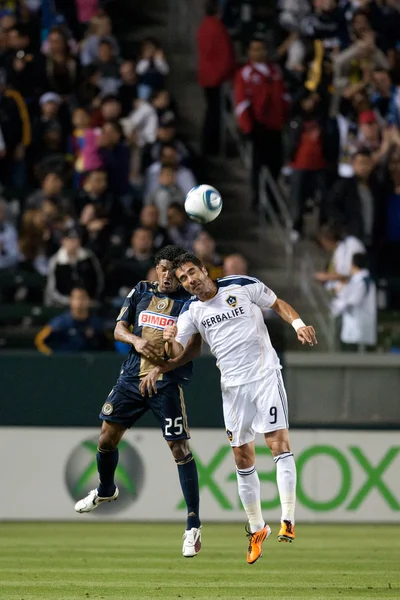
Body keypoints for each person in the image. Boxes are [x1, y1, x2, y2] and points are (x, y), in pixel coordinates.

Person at [140, 253, 317, 563]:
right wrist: (168, 342)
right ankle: (256, 528)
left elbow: (277, 303)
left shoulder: (242, 285)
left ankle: (288, 519)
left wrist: (298, 324)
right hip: (232, 389)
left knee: (278, 443)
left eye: (192, 272)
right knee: (241, 456)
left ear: (204, 270)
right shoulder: (191, 311)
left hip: (265, 376)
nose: (189, 280)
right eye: (183, 278)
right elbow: (179, 350)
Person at [74, 245, 203, 559]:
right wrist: (135, 339)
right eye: (162, 268)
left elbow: (191, 351)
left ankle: (193, 525)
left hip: (166, 384)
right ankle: (106, 489)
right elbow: (119, 329)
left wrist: (166, 359)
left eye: (174, 270)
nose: (168, 276)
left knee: (179, 448)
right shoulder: (141, 292)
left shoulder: (190, 305)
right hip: (132, 379)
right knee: (106, 437)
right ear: (155, 269)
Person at [234, 37, 289, 209]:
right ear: (249, 52)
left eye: (262, 49)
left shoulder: (275, 71)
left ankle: (272, 199)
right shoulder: (245, 73)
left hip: (276, 126)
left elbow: (283, 96)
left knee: (276, 163)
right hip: (258, 127)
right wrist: (248, 127)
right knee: (259, 166)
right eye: (255, 49)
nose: (259, 52)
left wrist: (285, 116)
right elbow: (241, 102)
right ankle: (258, 199)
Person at [197, 0, 235, 155]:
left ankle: (209, 145)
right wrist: (229, 74)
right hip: (217, 78)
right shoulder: (217, 28)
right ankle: (211, 146)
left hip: (207, 76)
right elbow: (226, 55)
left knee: (212, 111)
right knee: (215, 113)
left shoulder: (204, 26)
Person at [35, 287, 106, 354]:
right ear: (71, 300)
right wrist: (52, 357)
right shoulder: (60, 322)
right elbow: (40, 341)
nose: (80, 302)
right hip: (64, 362)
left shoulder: (96, 322)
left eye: (84, 298)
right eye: (77, 298)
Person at [45, 227, 104, 306]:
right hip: (63, 305)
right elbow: (52, 290)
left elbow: (99, 280)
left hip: (88, 303)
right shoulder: (56, 261)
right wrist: (71, 302)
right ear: (63, 241)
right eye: (71, 240)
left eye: (77, 240)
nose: (74, 243)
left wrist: (89, 299)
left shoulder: (89, 257)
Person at [330, 253, 377, 349]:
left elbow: (352, 301)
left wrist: (335, 306)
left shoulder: (362, 281)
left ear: (352, 264)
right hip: (356, 327)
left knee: (355, 358)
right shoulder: (359, 280)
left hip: (357, 327)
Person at [314, 222, 366, 290]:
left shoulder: (351, 244)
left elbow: (349, 273)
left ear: (328, 239)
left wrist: (326, 277)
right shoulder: (338, 250)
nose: (324, 247)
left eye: (323, 243)